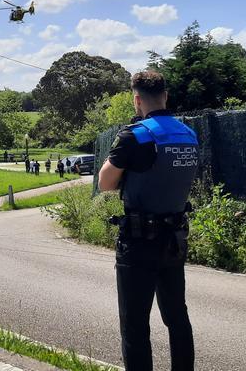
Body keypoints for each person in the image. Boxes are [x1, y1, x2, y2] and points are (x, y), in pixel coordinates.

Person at [97, 71, 198, 371]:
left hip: (138, 243)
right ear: (165, 96)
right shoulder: (188, 135)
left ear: (137, 100)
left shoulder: (136, 135)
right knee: (177, 317)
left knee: (135, 325)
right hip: (174, 241)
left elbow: (105, 182)